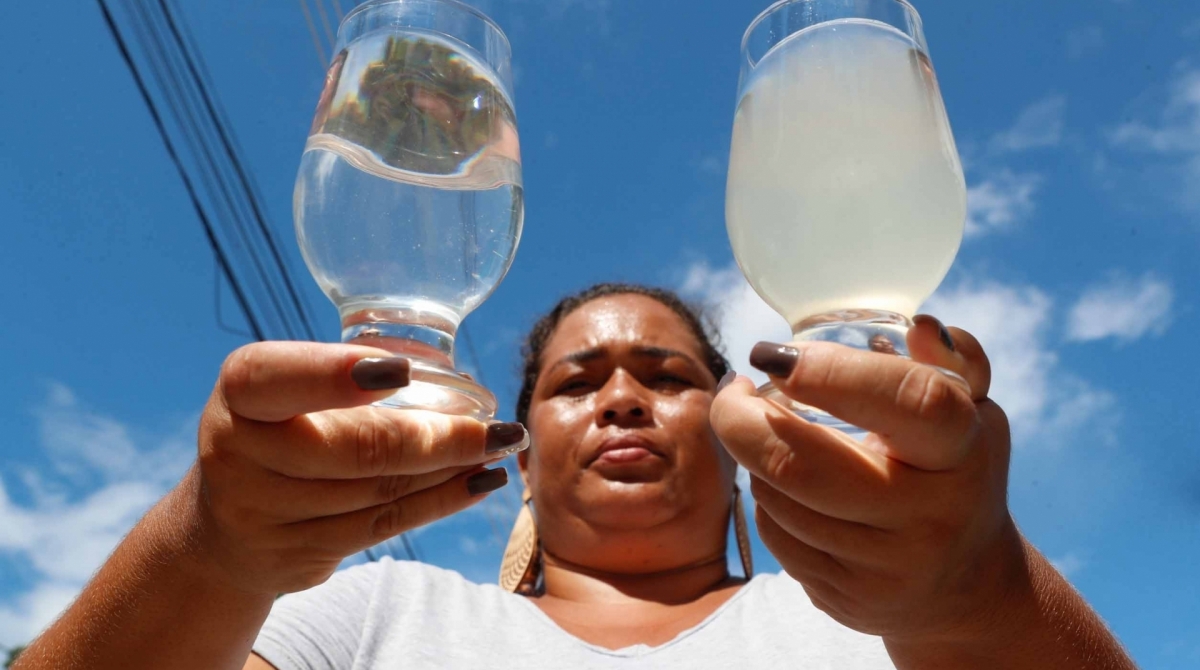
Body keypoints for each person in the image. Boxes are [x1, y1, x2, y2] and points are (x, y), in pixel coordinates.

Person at [14, 283, 1135, 669]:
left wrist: (982, 593)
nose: (620, 397)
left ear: (740, 426)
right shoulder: (364, 615)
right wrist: (207, 546)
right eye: (574, 380)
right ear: (525, 453)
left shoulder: (874, 626)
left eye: (666, 372)